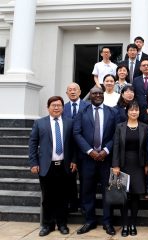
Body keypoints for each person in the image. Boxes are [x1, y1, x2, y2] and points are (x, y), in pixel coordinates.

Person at [29, 96, 77, 237]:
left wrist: (74, 160)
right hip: (46, 166)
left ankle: (62, 224)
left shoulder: (69, 122)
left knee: (63, 197)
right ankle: (47, 225)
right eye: (53, 105)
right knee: (48, 198)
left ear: (63, 107)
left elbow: (73, 144)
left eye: (59, 105)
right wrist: (33, 162)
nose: (56, 108)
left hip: (64, 166)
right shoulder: (40, 123)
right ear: (48, 107)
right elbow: (32, 143)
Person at [73, 86, 119, 236]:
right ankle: (89, 220)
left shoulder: (113, 112)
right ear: (90, 96)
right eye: (94, 93)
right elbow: (77, 133)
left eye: (100, 93)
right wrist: (90, 151)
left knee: (109, 191)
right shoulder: (82, 112)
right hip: (87, 160)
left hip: (107, 159)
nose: (98, 95)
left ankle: (108, 222)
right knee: (87, 191)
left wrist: (106, 150)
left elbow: (116, 134)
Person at [112, 100, 148, 237]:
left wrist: (147, 164)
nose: (134, 112)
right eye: (131, 110)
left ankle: (133, 223)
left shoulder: (145, 127)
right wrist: (115, 165)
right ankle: (125, 224)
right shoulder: (120, 127)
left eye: (136, 109)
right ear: (127, 111)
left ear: (139, 112)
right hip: (123, 164)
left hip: (138, 165)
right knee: (123, 196)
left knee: (135, 196)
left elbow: (146, 148)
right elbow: (116, 146)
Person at [63, 82, 90, 213]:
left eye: (75, 90)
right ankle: (72, 204)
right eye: (70, 90)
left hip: (85, 149)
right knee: (69, 178)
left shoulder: (88, 106)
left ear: (80, 92)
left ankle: (85, 206)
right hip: (68, 149)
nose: (72, 92)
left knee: (85, 179)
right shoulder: (63, 108)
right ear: (67, 93)